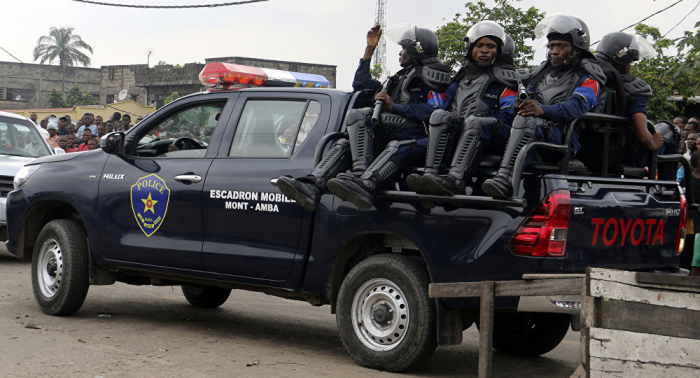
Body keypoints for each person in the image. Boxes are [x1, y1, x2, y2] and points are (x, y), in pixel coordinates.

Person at [275, 23, 450, 210]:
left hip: (416, 137)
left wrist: (394, 106)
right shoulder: (398, 78)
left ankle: (360, 179)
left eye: (403, 48)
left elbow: (434, 112)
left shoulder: (432, 77)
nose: (400, 53)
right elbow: (361, 84)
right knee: (345, 143)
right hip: (393, 131)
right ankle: (313, 185)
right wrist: (369, 50)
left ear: (417, 50)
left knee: (363, 117)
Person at [482, 14, 605, 199]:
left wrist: (541, 110)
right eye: (552, 46)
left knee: (526, 121)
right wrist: (519, 104)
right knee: (480, 123)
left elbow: (576, 107)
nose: (554, 51)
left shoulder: (588, 78)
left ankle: (504, 179)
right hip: (528, 129)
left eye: (561, 46)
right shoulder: (541, 73)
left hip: (560, 137)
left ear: (577, 49)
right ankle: (454, 177)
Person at [406, 21, 519, 195]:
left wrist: (472, 125)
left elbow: (508, 119)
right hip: (460, 135)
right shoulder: (460, 78)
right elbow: (444, 111)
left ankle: (456, 179)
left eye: (491, 46)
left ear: (498, 51)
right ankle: (431, 176)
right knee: (439, 116)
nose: (484, 50)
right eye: (479, 45)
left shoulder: (505, 81)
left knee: (475, 123)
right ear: (470, 48)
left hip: (489, 136)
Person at [594, 32, 675, 169]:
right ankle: (668, 184)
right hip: (619, 155)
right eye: (631, 62)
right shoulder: (633, 88)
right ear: (623, 61)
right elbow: (643, 137)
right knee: (672, 130)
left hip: (584, 153)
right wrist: (652, 143)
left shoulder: (589, 76)